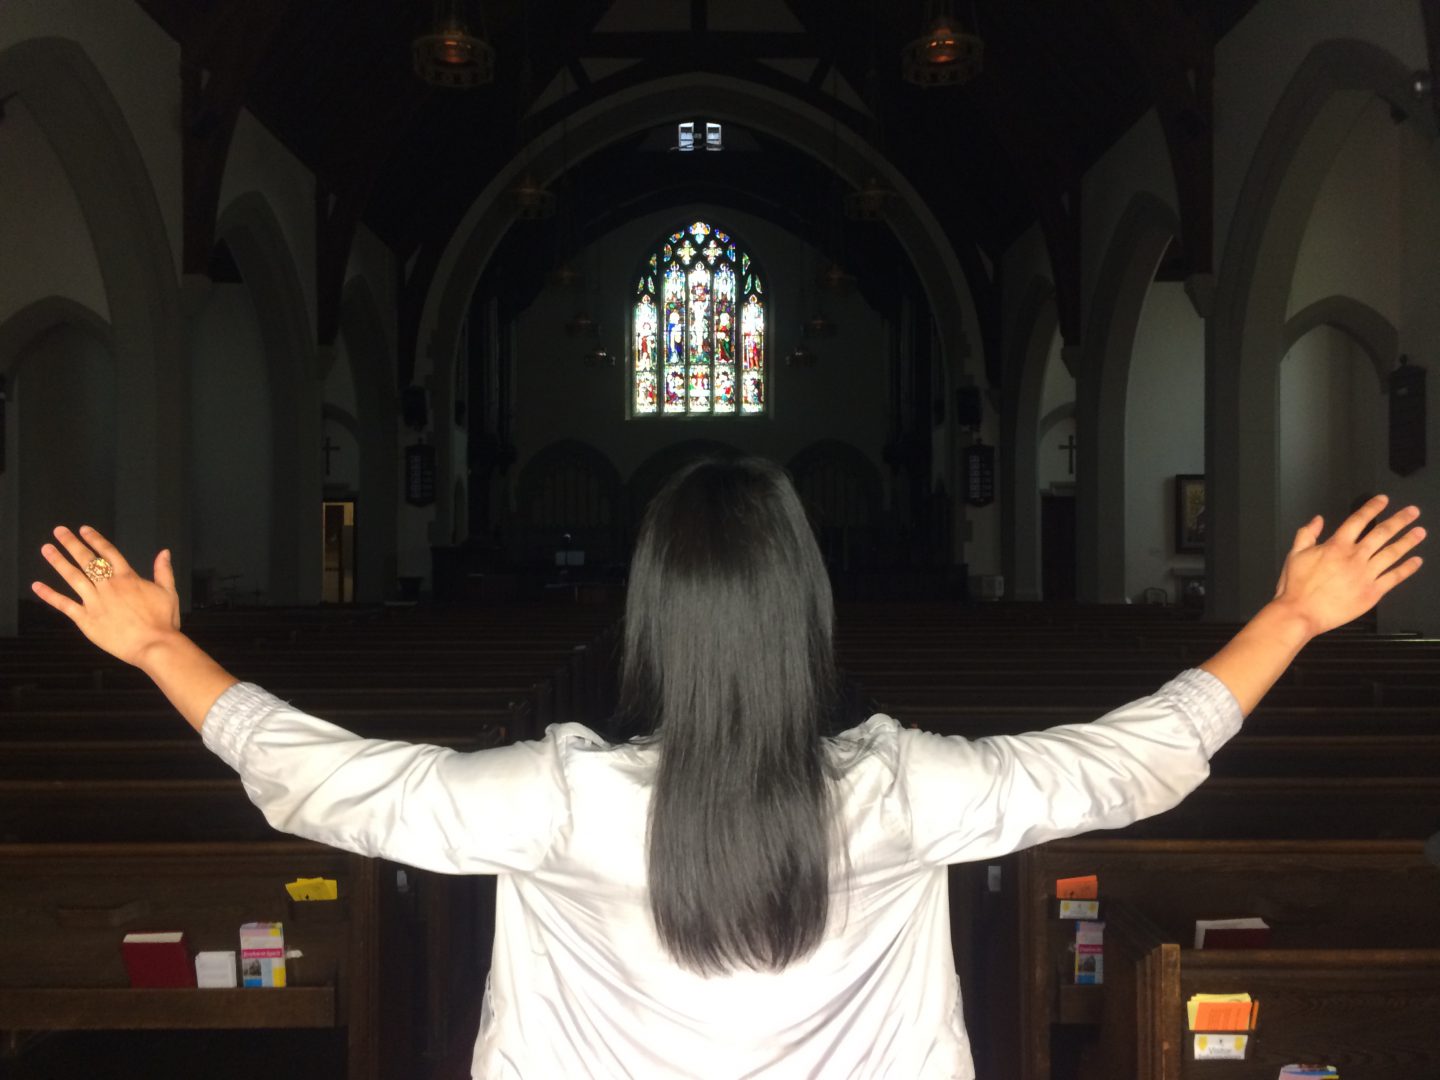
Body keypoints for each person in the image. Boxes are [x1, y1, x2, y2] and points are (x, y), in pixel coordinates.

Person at [31, 461, 1425, 1079]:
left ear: (652, 618)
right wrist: (1292, 619)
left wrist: (161, 651)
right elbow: (1131, 766)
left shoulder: (563, 800)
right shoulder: (898, 790)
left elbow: (331, 786)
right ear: (804, 614)